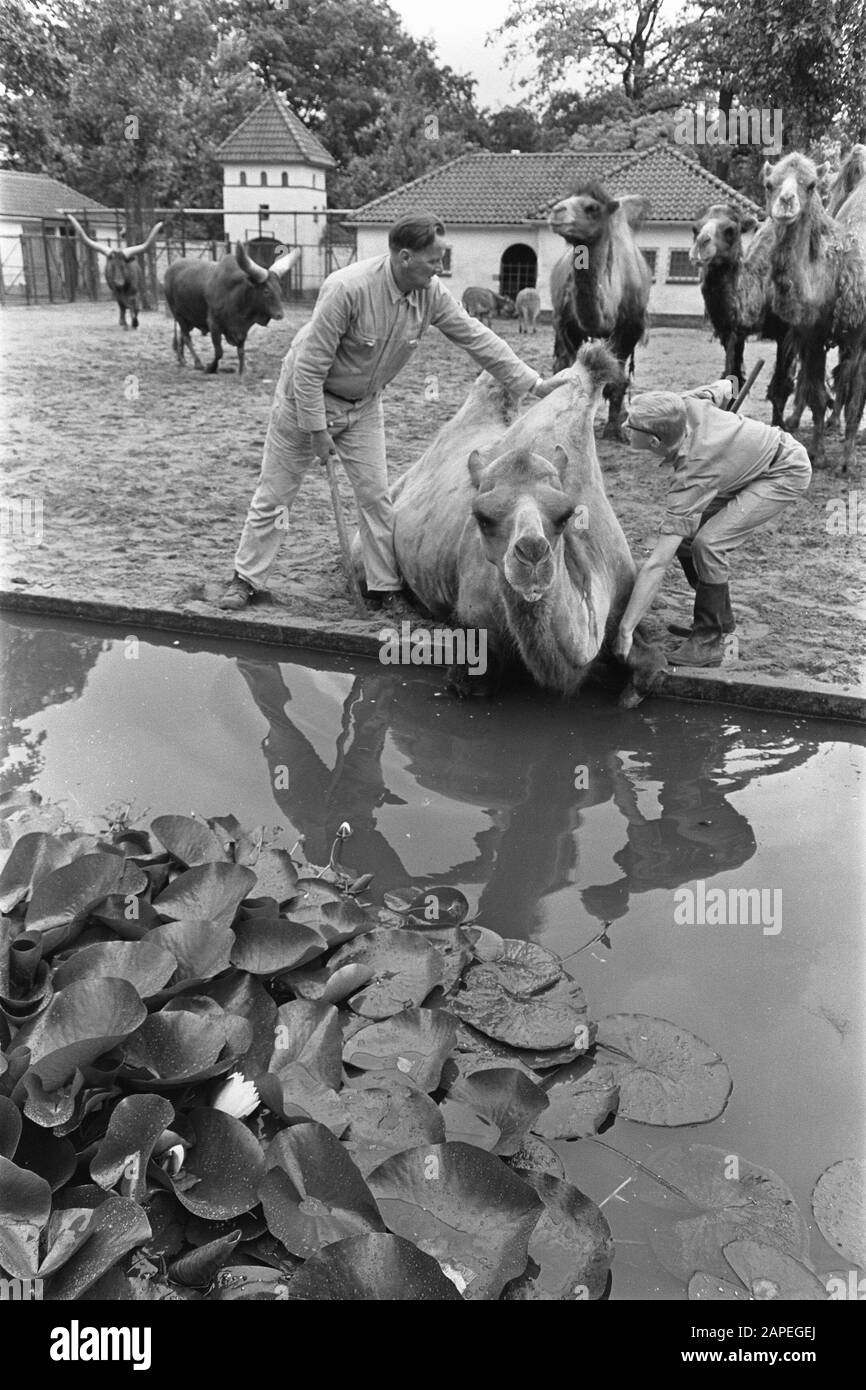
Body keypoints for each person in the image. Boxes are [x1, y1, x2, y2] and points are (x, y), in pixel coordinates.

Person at [221, 212, 563, 613]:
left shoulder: (430, 293)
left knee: (376, 498)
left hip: (364, 405)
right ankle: (246, 579)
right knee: (276, 495)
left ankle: (383, 588)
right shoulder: (346, 289)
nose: (439, 268)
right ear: (404, 257)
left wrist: (532, 382)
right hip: (305, 400)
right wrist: (316, 430)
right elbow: (309, 369)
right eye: (433, 260)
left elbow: (475, 336)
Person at [613, 378, 811, 667]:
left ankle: (708, 640)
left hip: (784, 470)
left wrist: (625, 628)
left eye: (630, 426)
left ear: (655, 442)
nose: (624, 428)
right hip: (743, 468)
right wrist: (728, 385)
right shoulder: (680, 406)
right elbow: (724, 387)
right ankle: (720, 620)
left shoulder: (692, 475)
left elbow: (656, 564)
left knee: (709, 544)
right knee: (686, 540)